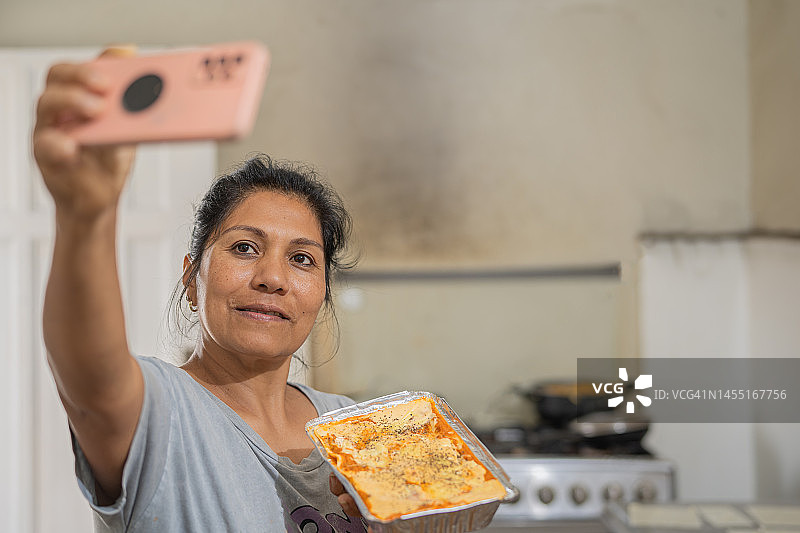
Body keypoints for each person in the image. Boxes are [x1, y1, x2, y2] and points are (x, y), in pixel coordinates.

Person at [33, 47, 367, 532]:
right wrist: (85, 215)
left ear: (321, 293)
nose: (272, 278)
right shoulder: (159, 412)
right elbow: (89, 380)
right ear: (193, 279)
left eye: (301, 259)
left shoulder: (361, 428)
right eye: (245, 248)